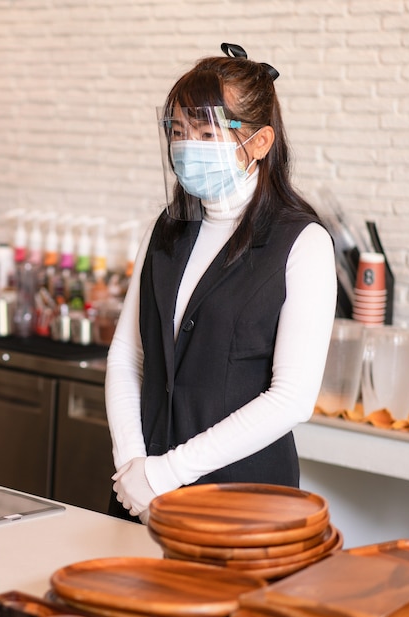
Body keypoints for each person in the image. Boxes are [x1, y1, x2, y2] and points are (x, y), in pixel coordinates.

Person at [105, 43, 337, 523]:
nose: (187, 146)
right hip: (141, 496)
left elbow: (291, 398)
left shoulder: (302, 242)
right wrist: (134, 467)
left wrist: (165, 473)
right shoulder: (166, 229)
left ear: (260, 142)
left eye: (206, 132)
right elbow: (129, 356)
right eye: (178, 130)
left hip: (240, 506)